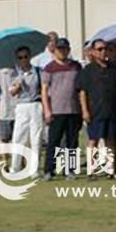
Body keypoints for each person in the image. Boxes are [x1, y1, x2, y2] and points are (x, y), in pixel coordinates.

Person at [79, 39, 116, 178]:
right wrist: (85, 111)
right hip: (94, 110)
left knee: (110, 140)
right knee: (94, 140)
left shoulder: (114, 70)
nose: (103, 52)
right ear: (92, 52)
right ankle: (91, 170)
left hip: (111, 110)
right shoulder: (87, 71)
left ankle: (111, 170)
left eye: (105, 49)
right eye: (100, 49)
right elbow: (82, 92)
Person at [42, 38, 83, 179]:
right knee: (54, 142)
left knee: (72, 142)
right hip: (56, 111)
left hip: (74, 110)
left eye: (65, 49)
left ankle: (70, 170)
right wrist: (47, 110)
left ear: (69, 50)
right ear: (54, 51)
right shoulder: (49, 68)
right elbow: (44, 90)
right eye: (59, 49)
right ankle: (49, 170)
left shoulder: (76, 66)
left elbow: (81, 88)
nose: (62, 51)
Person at [10, 45, 44, 174]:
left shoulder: (38, 71)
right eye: (20, 57)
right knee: (18, 137)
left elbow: (44, 89)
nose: (23, 59)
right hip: (21, 106)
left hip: (35, 105)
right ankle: (15, 167)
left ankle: (34, 169)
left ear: (30, 57)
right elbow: (12, 92)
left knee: (36, 138)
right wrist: (17, 86)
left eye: (25, 56)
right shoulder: (15, 73)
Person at [0, 66, 17, 164]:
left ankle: (21, 162)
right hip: (5, 110)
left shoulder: (19, 71)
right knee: (4, 138)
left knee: (19, 139)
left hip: (19, 109)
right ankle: (5, 161)